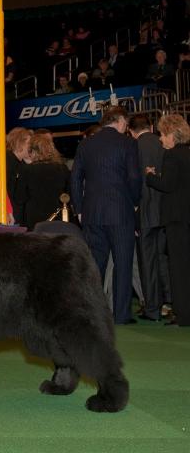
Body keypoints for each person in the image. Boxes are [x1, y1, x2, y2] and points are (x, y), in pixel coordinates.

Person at [71, 106, 142, 324]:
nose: (126, 128)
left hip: (92, 213)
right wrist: (135, 202)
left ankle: (93, 314)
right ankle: (121, 315)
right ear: (120, 120)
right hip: (121, 212)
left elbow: (74, 178)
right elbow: (134, 178)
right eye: (125, 124)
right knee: (123, 263)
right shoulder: (128, 143)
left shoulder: (86, 143)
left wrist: (80, 209)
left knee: (94, 265)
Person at [145, 115, 190, 326]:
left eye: (162, 135)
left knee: (178, 268)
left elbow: (168, 185)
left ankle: (183, 314)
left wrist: (150, 176)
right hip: (186, 216)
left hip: (176, 219)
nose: (161, 139)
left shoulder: (171, 156)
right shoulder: (187, 154)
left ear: (172, 134)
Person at [128, 114, 170, 321]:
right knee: (164, 260)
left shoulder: (132, 147)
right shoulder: (163, 143)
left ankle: (153, 308)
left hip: (143, 213)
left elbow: (133, 183)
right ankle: (170, 301)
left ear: (131, 131)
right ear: (151, 126)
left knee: (147, 263)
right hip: (164, 212)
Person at [14, 134, 71, 230]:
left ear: (31, 151)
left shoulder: (27, 170)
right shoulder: (62, 168)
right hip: (58, 217)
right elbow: (69, 194)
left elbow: (19, 198)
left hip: (35, 220)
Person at [5, 127, 32, 225]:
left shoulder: (21, 164)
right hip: (10, 213)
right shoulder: (7, 161)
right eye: (29, 143)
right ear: (19, 142)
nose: (31, 147)